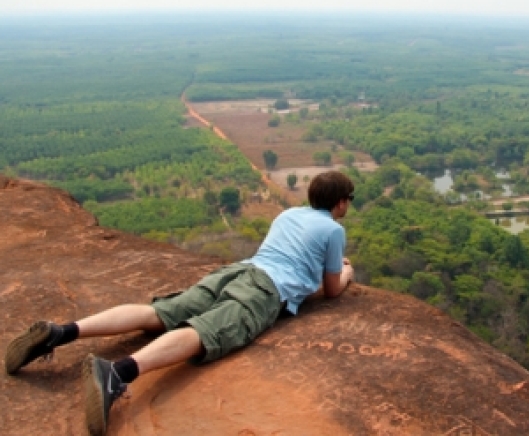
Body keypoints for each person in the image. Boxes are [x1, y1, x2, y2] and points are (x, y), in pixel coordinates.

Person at [4, 170, 355, 436]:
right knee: (204, 332)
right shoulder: (333, 231)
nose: (348, 206)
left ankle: (62, 332)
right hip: (263, 289)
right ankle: (117, 373)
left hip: (237, 271)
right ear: (340, 202)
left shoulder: (288, 215)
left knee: (158, 313)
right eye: (348, 200)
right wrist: (347, 273)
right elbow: (332, 288)